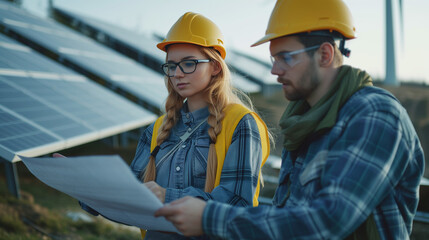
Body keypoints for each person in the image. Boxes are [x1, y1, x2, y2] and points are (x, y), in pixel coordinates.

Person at [154, 0, 425, 239]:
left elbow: (328, 221)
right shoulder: (304, 124)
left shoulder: (375, 115)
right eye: (273, 58)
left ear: (325, 55)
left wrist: (208, 217)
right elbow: (289, 215)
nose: (274, 70)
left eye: (285, 57)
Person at [129, 12, 270, 239]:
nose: (177, 74)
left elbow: (237, 203)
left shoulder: (241, 123)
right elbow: (128, 195)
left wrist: (168, 196)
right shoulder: (156, 130)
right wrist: (90, 188)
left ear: (215, 67)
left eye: (188, 64)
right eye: (172, 66)